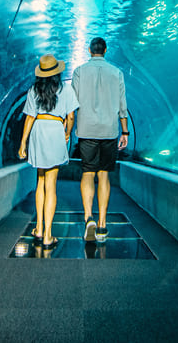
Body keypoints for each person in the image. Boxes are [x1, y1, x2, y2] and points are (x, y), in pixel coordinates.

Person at [71, 36, 128, 243]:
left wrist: (69, 127)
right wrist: (125, 132)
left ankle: (88, 218)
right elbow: (123, 105)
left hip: (86, 130)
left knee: (88, 172)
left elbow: (73, 102)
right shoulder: (117, 73)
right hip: (109, 131)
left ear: (89, 50)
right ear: (106, 50)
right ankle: (103, 225)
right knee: (103, 175)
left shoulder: (79, 72)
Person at [18, 54, 77, 250]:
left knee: (40, 181)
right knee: (51, 185)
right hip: (55, 131)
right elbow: (70, 116)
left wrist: (23, 143)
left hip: (38, 131)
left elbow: (29, 118)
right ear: (57, 73)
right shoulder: (66, 89)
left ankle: (39, 228)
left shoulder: (34, 89)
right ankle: (48, 235)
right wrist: (67, 134)